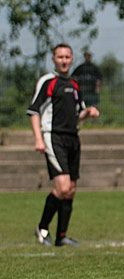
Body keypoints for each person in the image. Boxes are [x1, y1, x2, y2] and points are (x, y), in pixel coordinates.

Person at [28, 43, 100, 247]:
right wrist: (38, 138)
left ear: (72, 59)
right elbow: (34, 111)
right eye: (60, 57)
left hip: (73, 138)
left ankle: (61, 236)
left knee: (71, 189)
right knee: (63, 186)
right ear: (53, 59)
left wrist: (88, 112)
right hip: (54, 137)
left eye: (67, 57)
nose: (64, 60)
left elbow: (78, 114)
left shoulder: (75, 84)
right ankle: (42, 228)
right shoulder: (48, 81)